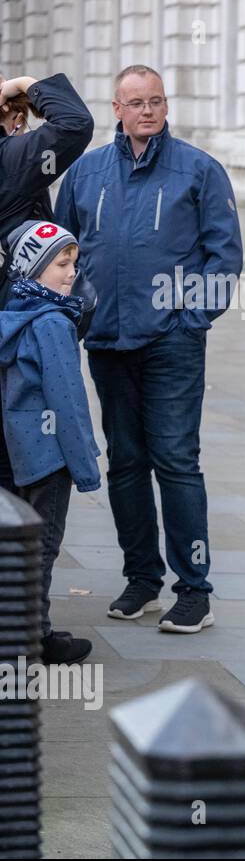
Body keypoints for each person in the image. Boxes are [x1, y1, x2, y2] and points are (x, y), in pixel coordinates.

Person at [54, 65, 243, 634]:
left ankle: (195, 591)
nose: (147, 111)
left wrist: (191, 321)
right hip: (107, 342)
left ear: (166, 106)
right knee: (126, 463)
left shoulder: (199, 171)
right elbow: (60, 253)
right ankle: (142, 579)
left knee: (177, 462)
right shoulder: (86, 173)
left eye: (156, 101)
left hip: (171, 345)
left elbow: (224, 257)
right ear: (116, 107)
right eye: (135, 102)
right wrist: (74, 319)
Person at [0, 221, 101, 664]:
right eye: (61, 263)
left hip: (17, 450)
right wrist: (85, 467)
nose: (70, 274)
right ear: (34, 267)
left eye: (74, 263)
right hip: (48, 457)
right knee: (41, 545)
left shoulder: (13, 314)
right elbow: (67, 400)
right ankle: (32, 637)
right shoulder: (53, 323)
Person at [0, 71, 95, 493]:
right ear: (14, 119)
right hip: (18, 331)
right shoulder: (11, 158)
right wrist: (24, 82)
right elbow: (75, 123)